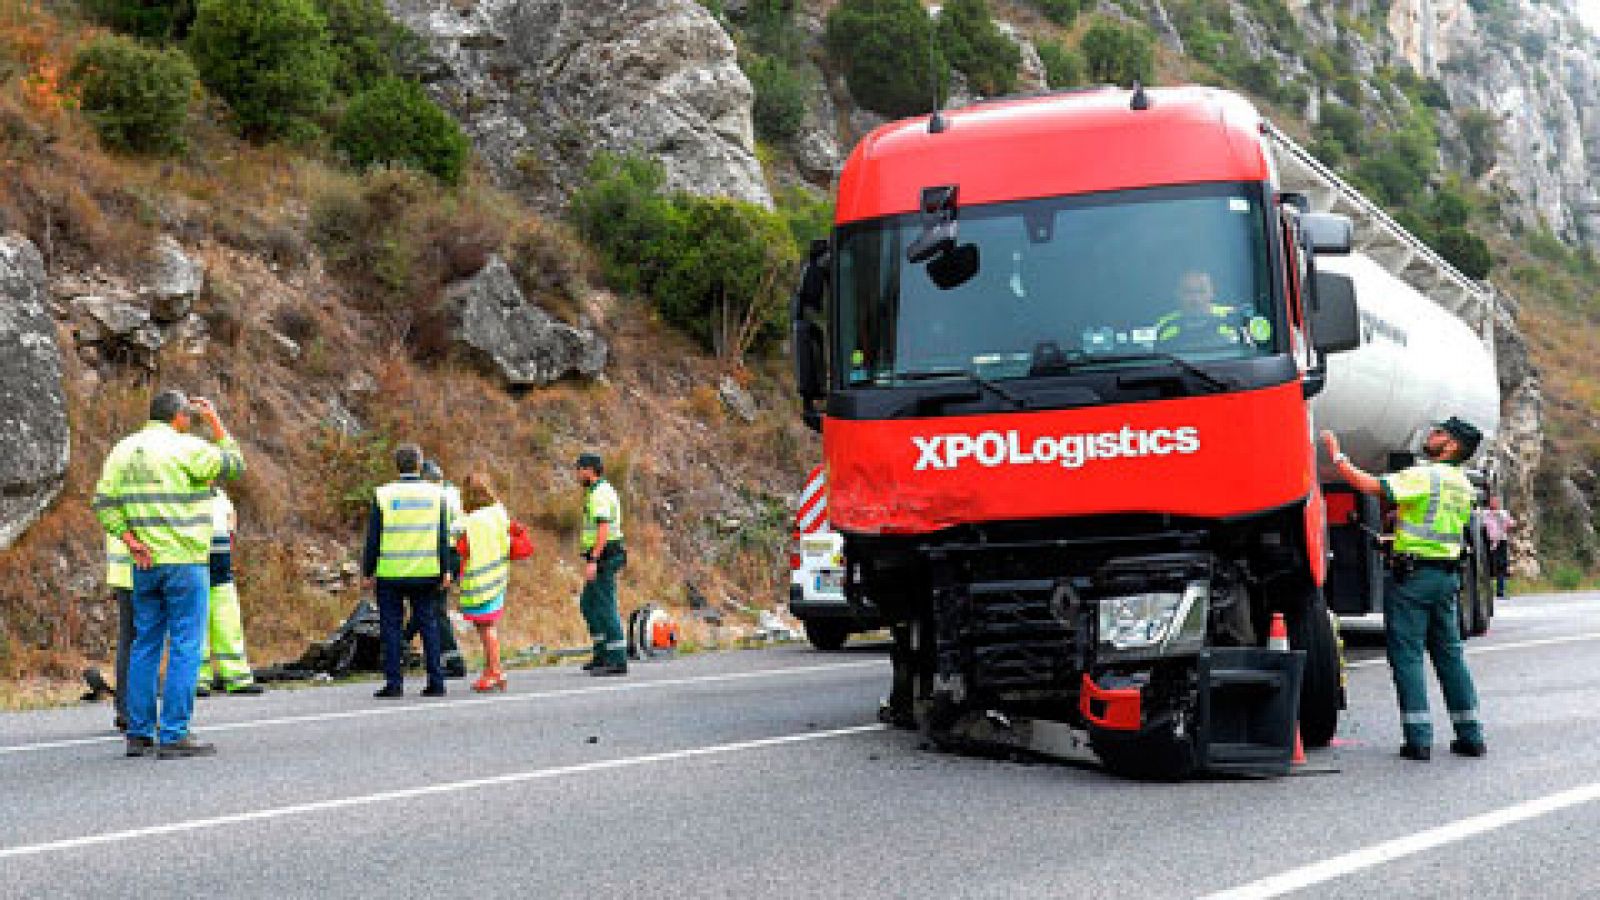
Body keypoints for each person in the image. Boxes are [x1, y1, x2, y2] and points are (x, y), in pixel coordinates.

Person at [1321, 416, 1488, 761]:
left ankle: (1419, 739)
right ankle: (1470, 735)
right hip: (1445, 578)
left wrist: (1337, 456)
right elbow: (1436, 527)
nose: (1432, 436)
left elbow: (1370, 486)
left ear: (1452, 445)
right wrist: (1397, 540)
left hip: (1414, 581)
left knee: (1407, 657)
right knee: (1450, 656)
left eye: (1440, 433)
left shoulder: (1426, 475)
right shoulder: (1461, 484)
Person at [93, 390, 244, 759]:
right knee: (185, 646)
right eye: (188, 417)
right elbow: (234, 465)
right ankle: (175, 732)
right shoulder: (186, 447)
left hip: (144, 563)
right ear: (179, 417)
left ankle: (139, 732)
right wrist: (215, 422)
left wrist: (131, 541)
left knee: (144, 644)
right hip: (185, 561)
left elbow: (103, 503)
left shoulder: (123, 449)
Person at [363, 443, 457, 698]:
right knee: (429, 625)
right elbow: (442, 536)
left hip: (391, 574)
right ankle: (436, 681)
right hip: (426, 571)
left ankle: (394, 684)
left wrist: (367, 571)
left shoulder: (383, 494)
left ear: (397, 465)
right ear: (420, 464)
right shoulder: (436, 495)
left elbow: (373, 538)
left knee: (391, 628)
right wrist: (446, 570)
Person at [197, 486, 262, 695]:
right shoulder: (185, 491)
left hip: (222, 571)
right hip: (194, 567)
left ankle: (238, 678)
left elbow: (231, 523)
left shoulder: (220, 495)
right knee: (197, 625)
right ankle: (198, 680)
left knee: (229, 623)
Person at [405, 459, 467, 679]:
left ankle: (454, 661)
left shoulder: (438, 497)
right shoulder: (452, 492)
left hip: (444, 556)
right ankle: (402, 643)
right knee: (428, 604)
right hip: (452, 555)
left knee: (436, 608)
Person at [456, 472, 511, 692]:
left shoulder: (470, 521)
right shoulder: (499, 512)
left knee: (485, 627)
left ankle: (495, 671)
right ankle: (492, 669)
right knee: (489, 626)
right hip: (498, 576)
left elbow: (457, 542)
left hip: (480, 581)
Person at [576, 453, 628, 676]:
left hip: (605, 556)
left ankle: (617, 659)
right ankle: (602, 653)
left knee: (605, 606)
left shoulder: (600, 494)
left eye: (579, 469)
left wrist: (594, 559)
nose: (577, 474)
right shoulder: (596, 491)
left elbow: (603, 529)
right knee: (589, 604)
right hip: (601, 555)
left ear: (589, 470)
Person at [1155, 269, 1240, 349]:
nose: (1196, 299)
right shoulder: (1164, 325)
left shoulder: (1233, 318)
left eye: (1202, 291)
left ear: (1212, 293)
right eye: (1188, 292)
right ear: (1177, 294)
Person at [106, 533, 134, 732]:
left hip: (121, 571)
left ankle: (125, 709)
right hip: (140, 567)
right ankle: (133, 711)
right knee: (144, 644)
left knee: (128, 640)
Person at [1481, 496, 1515, 599]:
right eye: (1492, 501)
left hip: (1501, 542)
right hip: (1488, 542)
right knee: (1488, 566)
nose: (1494, 503)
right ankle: (1487, 592)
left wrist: (1507, 524)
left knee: (1501, 567)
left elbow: (1511, 523)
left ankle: (1500, 591)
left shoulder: (1503, 513)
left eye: (1496, 501)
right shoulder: (1484, 513)